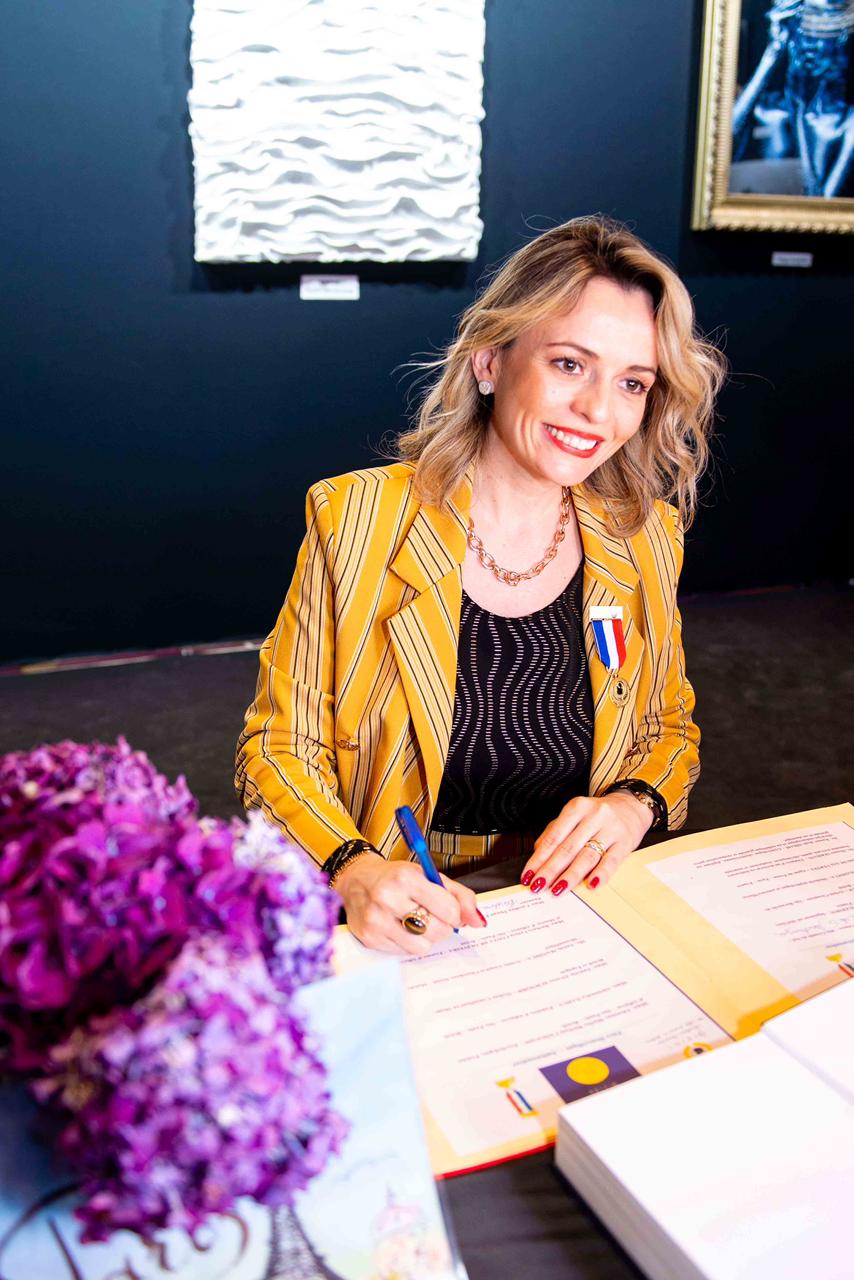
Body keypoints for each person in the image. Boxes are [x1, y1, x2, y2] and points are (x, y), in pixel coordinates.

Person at [236, 216, 725, 957]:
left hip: (572, 917)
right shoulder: (357, 518)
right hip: (409, 925)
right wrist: (354, 868)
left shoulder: (645, 535)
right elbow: (277, 749)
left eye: (632, 382)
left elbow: (667, 727)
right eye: (569, 364)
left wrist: (635, 804)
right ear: (490, 361)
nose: (599, 410)